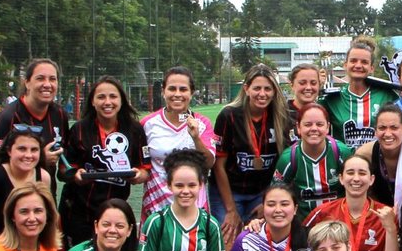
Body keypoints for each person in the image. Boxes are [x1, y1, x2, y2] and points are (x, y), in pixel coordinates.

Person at [61, 76, 151, 249]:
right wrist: (76, 175)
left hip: (115, 214)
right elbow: (64, 168)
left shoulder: (134, 130)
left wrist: (138, 175)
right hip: (81, 212)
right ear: (93, 101)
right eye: (101, 97)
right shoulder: (79, 129)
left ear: (122, 101)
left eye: (113, 96)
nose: (107, 102)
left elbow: (145, 169)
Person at [211, 64, 292, 239]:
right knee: (228, 239)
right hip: (229, 191)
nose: (262, 94)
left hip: (262, 192)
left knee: (260, 238)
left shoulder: (281, 116)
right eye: (257, 88)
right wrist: (231, 209)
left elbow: (284, 165)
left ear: (274, 92)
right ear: (246, 89)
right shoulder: (229, 115)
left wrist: (268, 202)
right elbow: (218, 165)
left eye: (268, 89)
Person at [140, 149, 224, 251]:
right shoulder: (157, 222)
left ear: (201, 185)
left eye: (191, 185)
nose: (185, 191)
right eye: (179, 185)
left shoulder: (210, 225)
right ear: (169, 185)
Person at [141, 65, 218, 219]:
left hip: (194, 207)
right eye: (172, 89)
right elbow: (142, 163)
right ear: (163, 91)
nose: (177, 94)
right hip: (156, 206)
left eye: (183, 89)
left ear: (192, 93)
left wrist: (196, 138)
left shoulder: (202, 123)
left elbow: (209, 163)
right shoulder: (147, 124)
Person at [306, 151, 399, 251]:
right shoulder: (322, 213)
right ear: (341, 179)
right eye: (350, 173)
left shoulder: (385, 215)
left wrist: (390, 229)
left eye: (362, 173)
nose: (356, 178)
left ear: (371, 179)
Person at [0, 128, 53, 251]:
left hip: (13, 249)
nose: (28, 155)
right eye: (22, 149)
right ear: (9, 151)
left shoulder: (43, 178)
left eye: (34, 150)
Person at [0, 58, 70, 178]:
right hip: (13, 193)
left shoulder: (60, 115)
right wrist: (40, 159)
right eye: (40, 78)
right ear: (27, 83)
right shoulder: (9, 117)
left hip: (45, 192)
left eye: (52, 79)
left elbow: (64, 166)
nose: (47, 84)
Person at [275, 103, 350, 223]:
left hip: (338, 225)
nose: (314, 128)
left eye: (319, 124)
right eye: (308, 124)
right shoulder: (288, 158)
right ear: (298, 128)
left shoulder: (342, 152)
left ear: (327, 127)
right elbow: (275, 194)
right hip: (304, 225)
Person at [325, 37, 399, 148]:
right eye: (353, 61)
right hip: (344, 163)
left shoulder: (387, 95)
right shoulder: (332, 98)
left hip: (377, 163)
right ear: (345, 65)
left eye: (364, 62)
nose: (358, 65)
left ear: (371, 68)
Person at [356, 104, 402, 214]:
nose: (388, 134)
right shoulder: (365, 155)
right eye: (382, 128)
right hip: (376, 215)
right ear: (375, 131)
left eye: (394, 127)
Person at [286, 63, 326, 128]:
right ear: (292, 85)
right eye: (302, 83)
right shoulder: (280, 114)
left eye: (313, 83)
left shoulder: (324, 113)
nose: (308, 87)